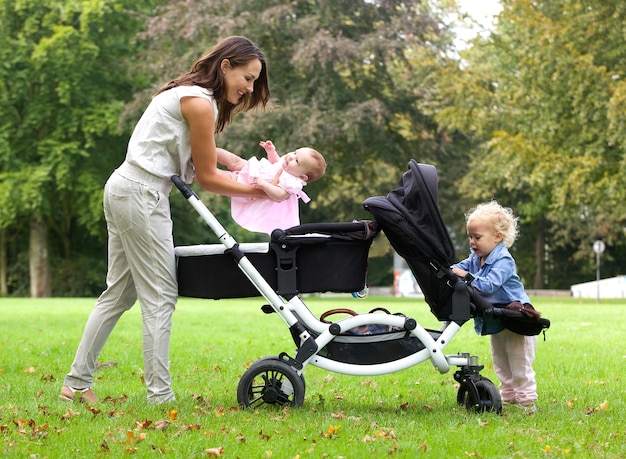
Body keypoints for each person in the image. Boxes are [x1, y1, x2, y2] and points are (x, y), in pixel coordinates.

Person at [60, 36, 271, 404]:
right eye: (248, 78)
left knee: (119, 293)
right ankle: (160, 397)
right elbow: (206, 177)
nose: (249, 88)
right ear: (226, 66)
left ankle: (76, 383)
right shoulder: (200, 104)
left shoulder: (186, 93)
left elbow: (184, 144)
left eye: (254, 81)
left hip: (125, 187)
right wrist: (262, 191)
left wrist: (234, 161)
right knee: (160, 297)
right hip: (141, 194)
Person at [451, 201, 538, 413]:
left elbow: (489, 286)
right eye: (470, 237)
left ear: (497, 237)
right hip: (497, 318)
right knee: (500, 361)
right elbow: (460, 267)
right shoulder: (476, 257)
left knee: (519, 363)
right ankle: (507, 398)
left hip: (516, 317)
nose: (472, 242)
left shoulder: (504, 260)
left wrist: (466, 276)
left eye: (477, 237)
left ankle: (527, 402)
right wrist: (450, 269)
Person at [217, 140, 326, 234]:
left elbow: (280, 195)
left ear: (302, 176)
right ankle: (207, 150)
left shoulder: (292, 183)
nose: (291, 157)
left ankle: (202, 172)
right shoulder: (287, 165)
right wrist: (271, 151)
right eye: (295, 152)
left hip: (253, 185)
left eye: (296, 160)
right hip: (254, 169)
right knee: (235, 161)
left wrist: (265, 185)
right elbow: (276, 162)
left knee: (228, 177)